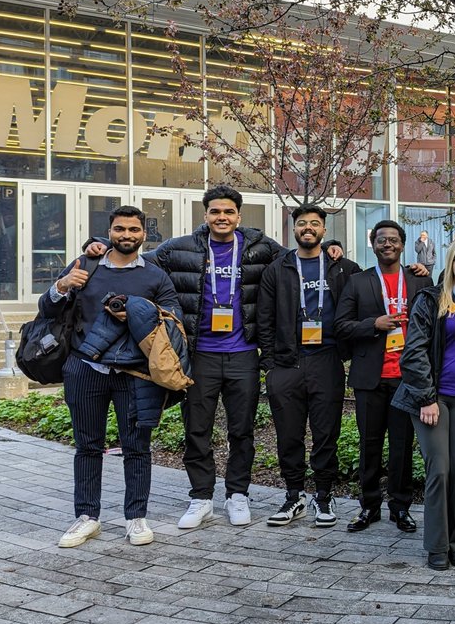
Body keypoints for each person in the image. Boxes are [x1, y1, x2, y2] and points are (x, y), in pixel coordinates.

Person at [153, 185, 285, 530]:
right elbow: (138, 259)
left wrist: (331, 248)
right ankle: (201, 498)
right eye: (215, 212)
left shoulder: (260, 247)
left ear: (239, 216)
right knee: (197, 429)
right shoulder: (181, 247)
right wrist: (98, 246)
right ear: (206, 215)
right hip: (200, 357)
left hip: (243, 354)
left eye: (228, 212)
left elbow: (297, 258)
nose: (222, 217)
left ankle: (237, 494)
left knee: (241, 430)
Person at [49, 206, 181, 548]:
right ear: (110, 232)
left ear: (144, 234)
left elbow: (174, 319)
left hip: (135, 372)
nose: (127, 235)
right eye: (120, 229)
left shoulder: (155, 276)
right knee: (87, 446)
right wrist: (61, 286)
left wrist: (136, 310)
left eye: (133, 230)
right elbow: (47, 309)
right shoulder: (86, 266)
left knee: (137, 447)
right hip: (84, 367)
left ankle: (136, 518)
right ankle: (87, 517)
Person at [257, 204, 361, 528]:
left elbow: (362, 302)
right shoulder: (278, 269)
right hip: (287, 363)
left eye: (314, 223)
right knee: (288, 435)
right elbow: (265, 318)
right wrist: (271, 365)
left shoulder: (342, 267)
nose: (308, 228)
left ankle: (324, 496)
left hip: (326, 359)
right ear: (294, 229)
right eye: (302, 223)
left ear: (324, 230)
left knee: (325, 433)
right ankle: (294, 496)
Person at [392, 237, 455, 570]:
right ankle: (436, 545)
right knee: (440, 469)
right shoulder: (431, 299)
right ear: (450, 264)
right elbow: (414, 352)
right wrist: (426, 397)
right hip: (432, 398)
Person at [334, 220, 432, 533]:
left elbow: (433, 325)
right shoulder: (358, 282)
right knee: (370, 445)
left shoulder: (419, 281)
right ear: (373, 245)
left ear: (403, 245)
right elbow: (340, 326)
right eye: (381, 240)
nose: (387, 244)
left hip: (407, 378)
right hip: (370, 378)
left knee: (402, 446)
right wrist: (372, 324)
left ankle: (400, 508)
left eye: (393, 240)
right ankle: (369, 506)